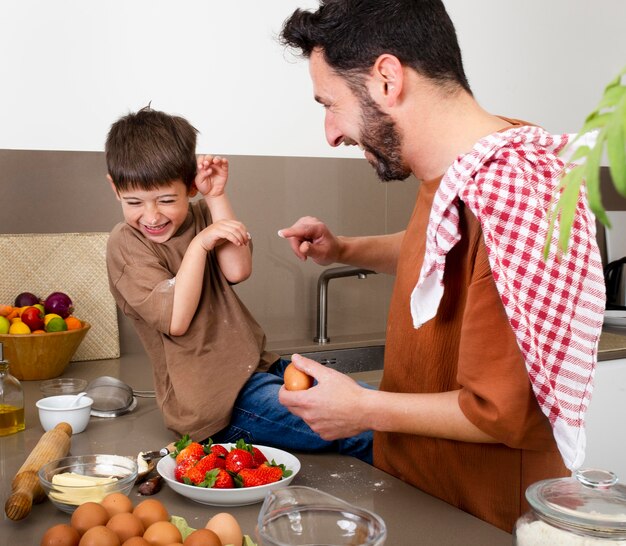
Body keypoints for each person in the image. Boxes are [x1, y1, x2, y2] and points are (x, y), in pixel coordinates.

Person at [277, 0, 605, 532]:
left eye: (330, 103)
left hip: (479, 517)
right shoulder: (460, 172)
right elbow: (439, 249)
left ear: (386, 79)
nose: (331, 133)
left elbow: (501, 411)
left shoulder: (517, 194)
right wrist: (344, 250)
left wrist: (360, 409)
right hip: (420, 492)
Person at [104, 106, 372, 463]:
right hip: (218, 405)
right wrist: (201, 245)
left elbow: (237, 269)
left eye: (167, 200)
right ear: (114, 188)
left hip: (259, 367)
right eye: (134, 202)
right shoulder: (126, 244)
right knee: (360, 427)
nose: (151, 216)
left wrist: (215, 196)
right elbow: (175, 319)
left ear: (189, 186)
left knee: (369, 402)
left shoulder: (202, 215)